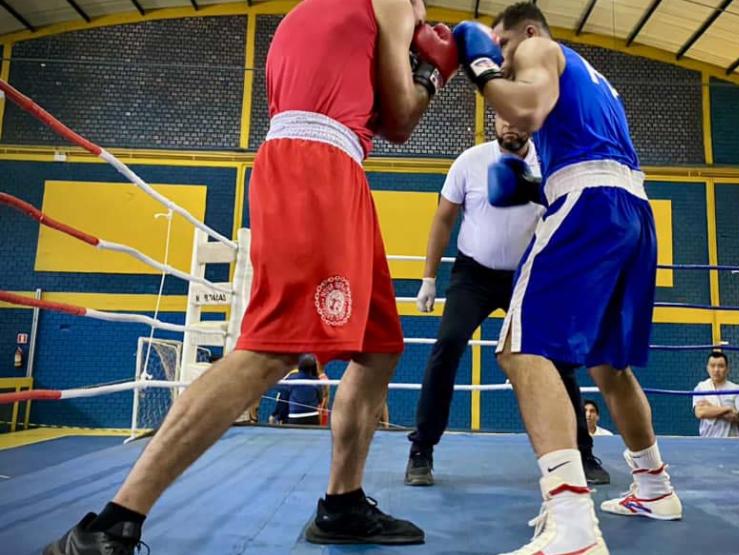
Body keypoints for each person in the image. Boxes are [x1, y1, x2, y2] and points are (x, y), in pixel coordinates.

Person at [43, 1, 460, 552]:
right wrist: (436, 70)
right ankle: (113, 522)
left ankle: (342, 504)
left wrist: (415, 60)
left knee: (378, 344)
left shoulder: (316, 16)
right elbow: (403, 118)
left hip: (328, 165)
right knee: (271, 349)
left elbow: (375, 113)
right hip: (317, 168)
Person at [453, 3, 682, 552]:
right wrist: (536, 185)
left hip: (588, 203)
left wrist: (481, 70)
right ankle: (654, 487)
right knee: (608, 364)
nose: (504, 60)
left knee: (519, 346)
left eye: (503, 46)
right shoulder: (595, 80)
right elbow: (575, 140)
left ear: (527, 32)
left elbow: (528, 109)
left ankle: (573, 523)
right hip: (632, 209)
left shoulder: (536, 48)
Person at [404, 113, 609, 486]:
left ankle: (583, 453)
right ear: (493, 120)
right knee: (447, 345)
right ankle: (422, 450)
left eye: (519, 119)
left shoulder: (550, 164)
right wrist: (428, 278)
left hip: (530, 275)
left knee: (560, 360)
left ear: (531, 122)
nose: (510, 125)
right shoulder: (470, 161)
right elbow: (443, 219)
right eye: (503, 118)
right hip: (473, 275)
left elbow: (575, 218)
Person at [692, 351, 739, 438]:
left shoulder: (737, 389)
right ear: (707, 368)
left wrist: (710, 408)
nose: (716, 370)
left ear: (727, 369)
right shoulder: (701, 388)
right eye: (712, 366)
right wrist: (728, 409)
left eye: (721, 366)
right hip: (707, 442)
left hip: (732, 443)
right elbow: (700, 413)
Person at [270, 355, 325, 426]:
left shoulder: (291, 379)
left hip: (295, 418)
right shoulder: (316, 381)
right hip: (313, 418)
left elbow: (283, 400)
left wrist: (278, 416)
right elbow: (320, 399)